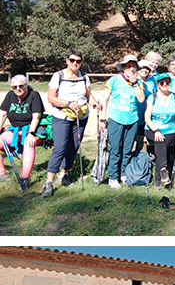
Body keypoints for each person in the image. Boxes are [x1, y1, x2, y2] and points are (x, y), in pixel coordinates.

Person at [41, 50, 101, 197]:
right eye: (72, 60)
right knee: (60, 147)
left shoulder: (84, 76)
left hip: (80, 117)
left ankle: (64, 174)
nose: (75, 63)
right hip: (62, 116)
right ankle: (49, 182)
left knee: (74, 146)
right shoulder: (58, 76)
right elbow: (51, 98)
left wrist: (95, 104)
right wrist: (67, 103)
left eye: (78, 61)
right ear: (67, 61)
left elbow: (88, 96)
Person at [100, 54, 144, 190]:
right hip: (116, 118)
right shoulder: (114, 80)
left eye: (133, 67)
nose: (131, 69)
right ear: (123, 67)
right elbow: (104, 100)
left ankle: (123, 173)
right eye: (128, 66)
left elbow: (141, 99)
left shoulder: (139, 83)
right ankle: (112, 176)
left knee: (127, 149)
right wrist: (103, 118)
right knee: (115, 149)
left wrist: (135, 82)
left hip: (132, 120)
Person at [0, 74, 44, 191]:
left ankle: (25, 178)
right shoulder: (10, 96)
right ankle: (2, 174)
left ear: (26, 85)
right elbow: (3, 114)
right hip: (14, 130)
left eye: (21, 86)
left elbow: (36, 117)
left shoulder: (33, 95)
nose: (18, 89)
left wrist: (31, 133)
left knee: (29, 143)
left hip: (31, 129)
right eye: (15, 87)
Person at [144, 73, 175, 188]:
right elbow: (147, 117)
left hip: (170, 129)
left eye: (167, 82)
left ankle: (159, 176)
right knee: (159, 140)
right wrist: (156, 130)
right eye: (162, 82)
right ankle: (163, 170)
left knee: (162, 141)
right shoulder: (152, 98)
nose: (165, 85)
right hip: (152, 129)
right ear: (158, 84)